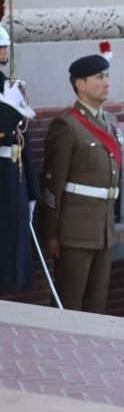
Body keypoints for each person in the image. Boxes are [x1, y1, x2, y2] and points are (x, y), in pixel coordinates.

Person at [38, 44, 122, 312]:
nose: (106, 83)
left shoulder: (110, 121)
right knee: (69, 304)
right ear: (80, 84)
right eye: (99, 77)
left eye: (106, 76)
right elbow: (53, 184)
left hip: (103, 230)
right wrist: (52, 233)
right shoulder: (67, 125)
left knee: (96, 305)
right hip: (74, 231)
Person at [0, 23, 39, 294]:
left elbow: (22, 139)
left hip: (13, 173)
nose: (4, 51)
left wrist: (32, 188)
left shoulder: (6, 82)